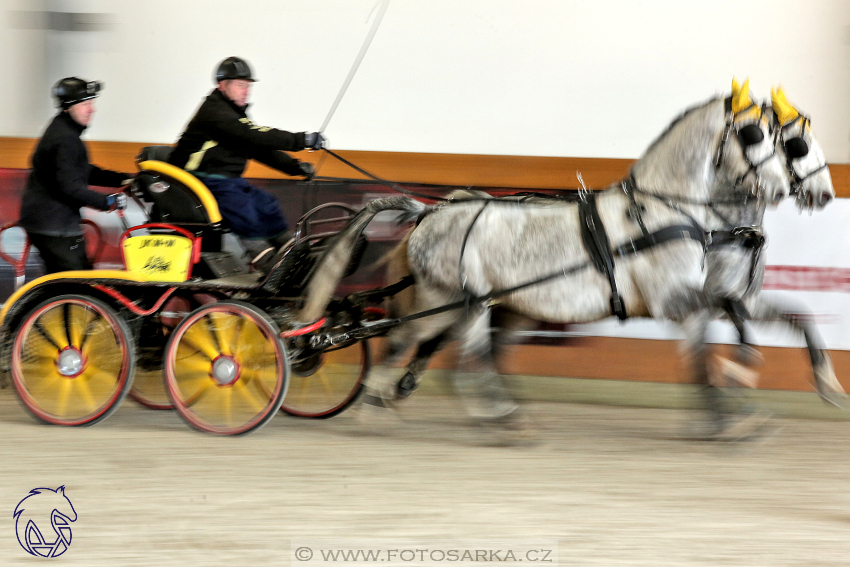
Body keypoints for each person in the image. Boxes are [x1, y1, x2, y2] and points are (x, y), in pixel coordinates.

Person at [168, 56, 325, 268]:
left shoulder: (233, 114)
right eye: (241, 85)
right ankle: (261, 256)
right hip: (197, 179)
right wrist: (301, 140)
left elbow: (257, 147)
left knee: (265, 202)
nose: (246, 91)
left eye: (248, 86)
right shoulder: (215, 112)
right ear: (223, 85)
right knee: (241, 205)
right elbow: (254, 135)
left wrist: (295, 167)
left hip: (226, 181)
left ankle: (288, 249)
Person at [19, 77, 130, 274]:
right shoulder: (65, 139)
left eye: (92, 102)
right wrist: (109, 202)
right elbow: (71, 188)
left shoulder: (63, 130)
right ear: (67, 108)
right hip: (54, 226)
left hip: (47, 222)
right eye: (85, 104)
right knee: (75, 283)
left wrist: (123, 179)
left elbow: (81, 171)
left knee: (71, 282)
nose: (92, 109)